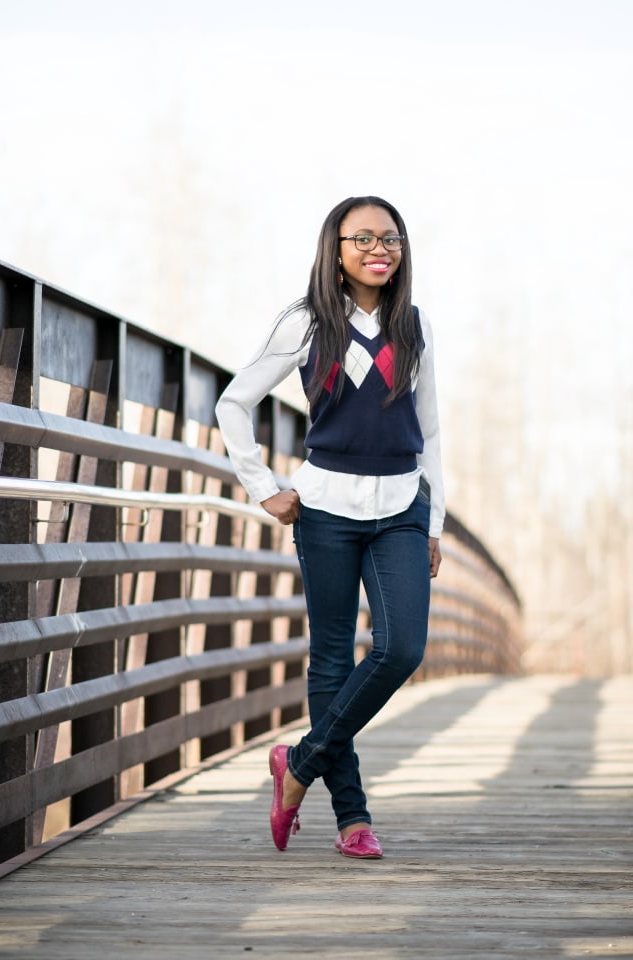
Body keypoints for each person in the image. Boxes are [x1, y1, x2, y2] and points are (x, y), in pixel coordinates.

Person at [215, 195, 444, 859]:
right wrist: (263, 487)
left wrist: (436, 518)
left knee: (401, 648)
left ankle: (300, 763)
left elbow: (431, 429)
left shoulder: (416, 326)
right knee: (333, 656)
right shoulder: (307, 321)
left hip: (402, 506)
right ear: (336, 251)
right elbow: (235, 401)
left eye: (391, 239)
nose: (380, 249)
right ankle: (352, 821)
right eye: (364, 238)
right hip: (324, 510)